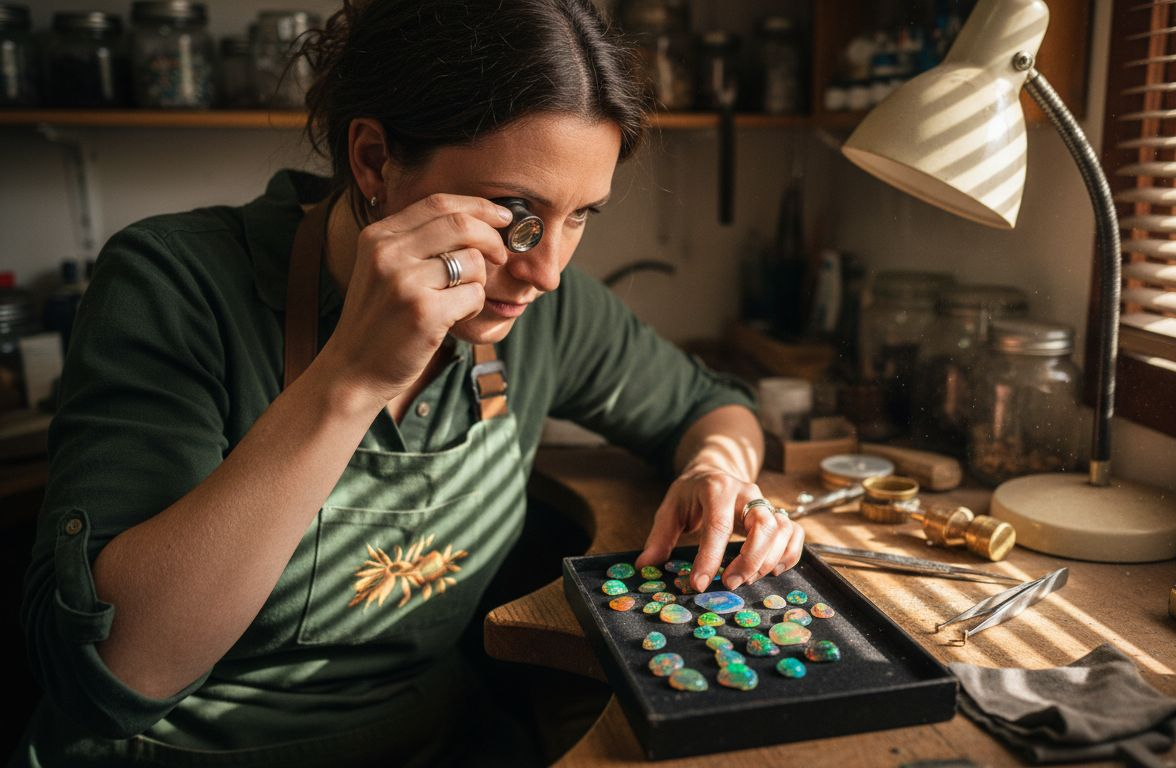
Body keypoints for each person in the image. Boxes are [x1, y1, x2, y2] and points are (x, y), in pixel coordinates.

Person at [12, 1, 804, 765]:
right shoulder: (176, 285)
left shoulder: (538, 313)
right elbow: (117, 675)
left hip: (435, 741)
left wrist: (716, 470)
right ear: (373, 161)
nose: (547, 273)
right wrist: (351, 379)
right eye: (513, 212)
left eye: (580, 216)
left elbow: (712, 407)